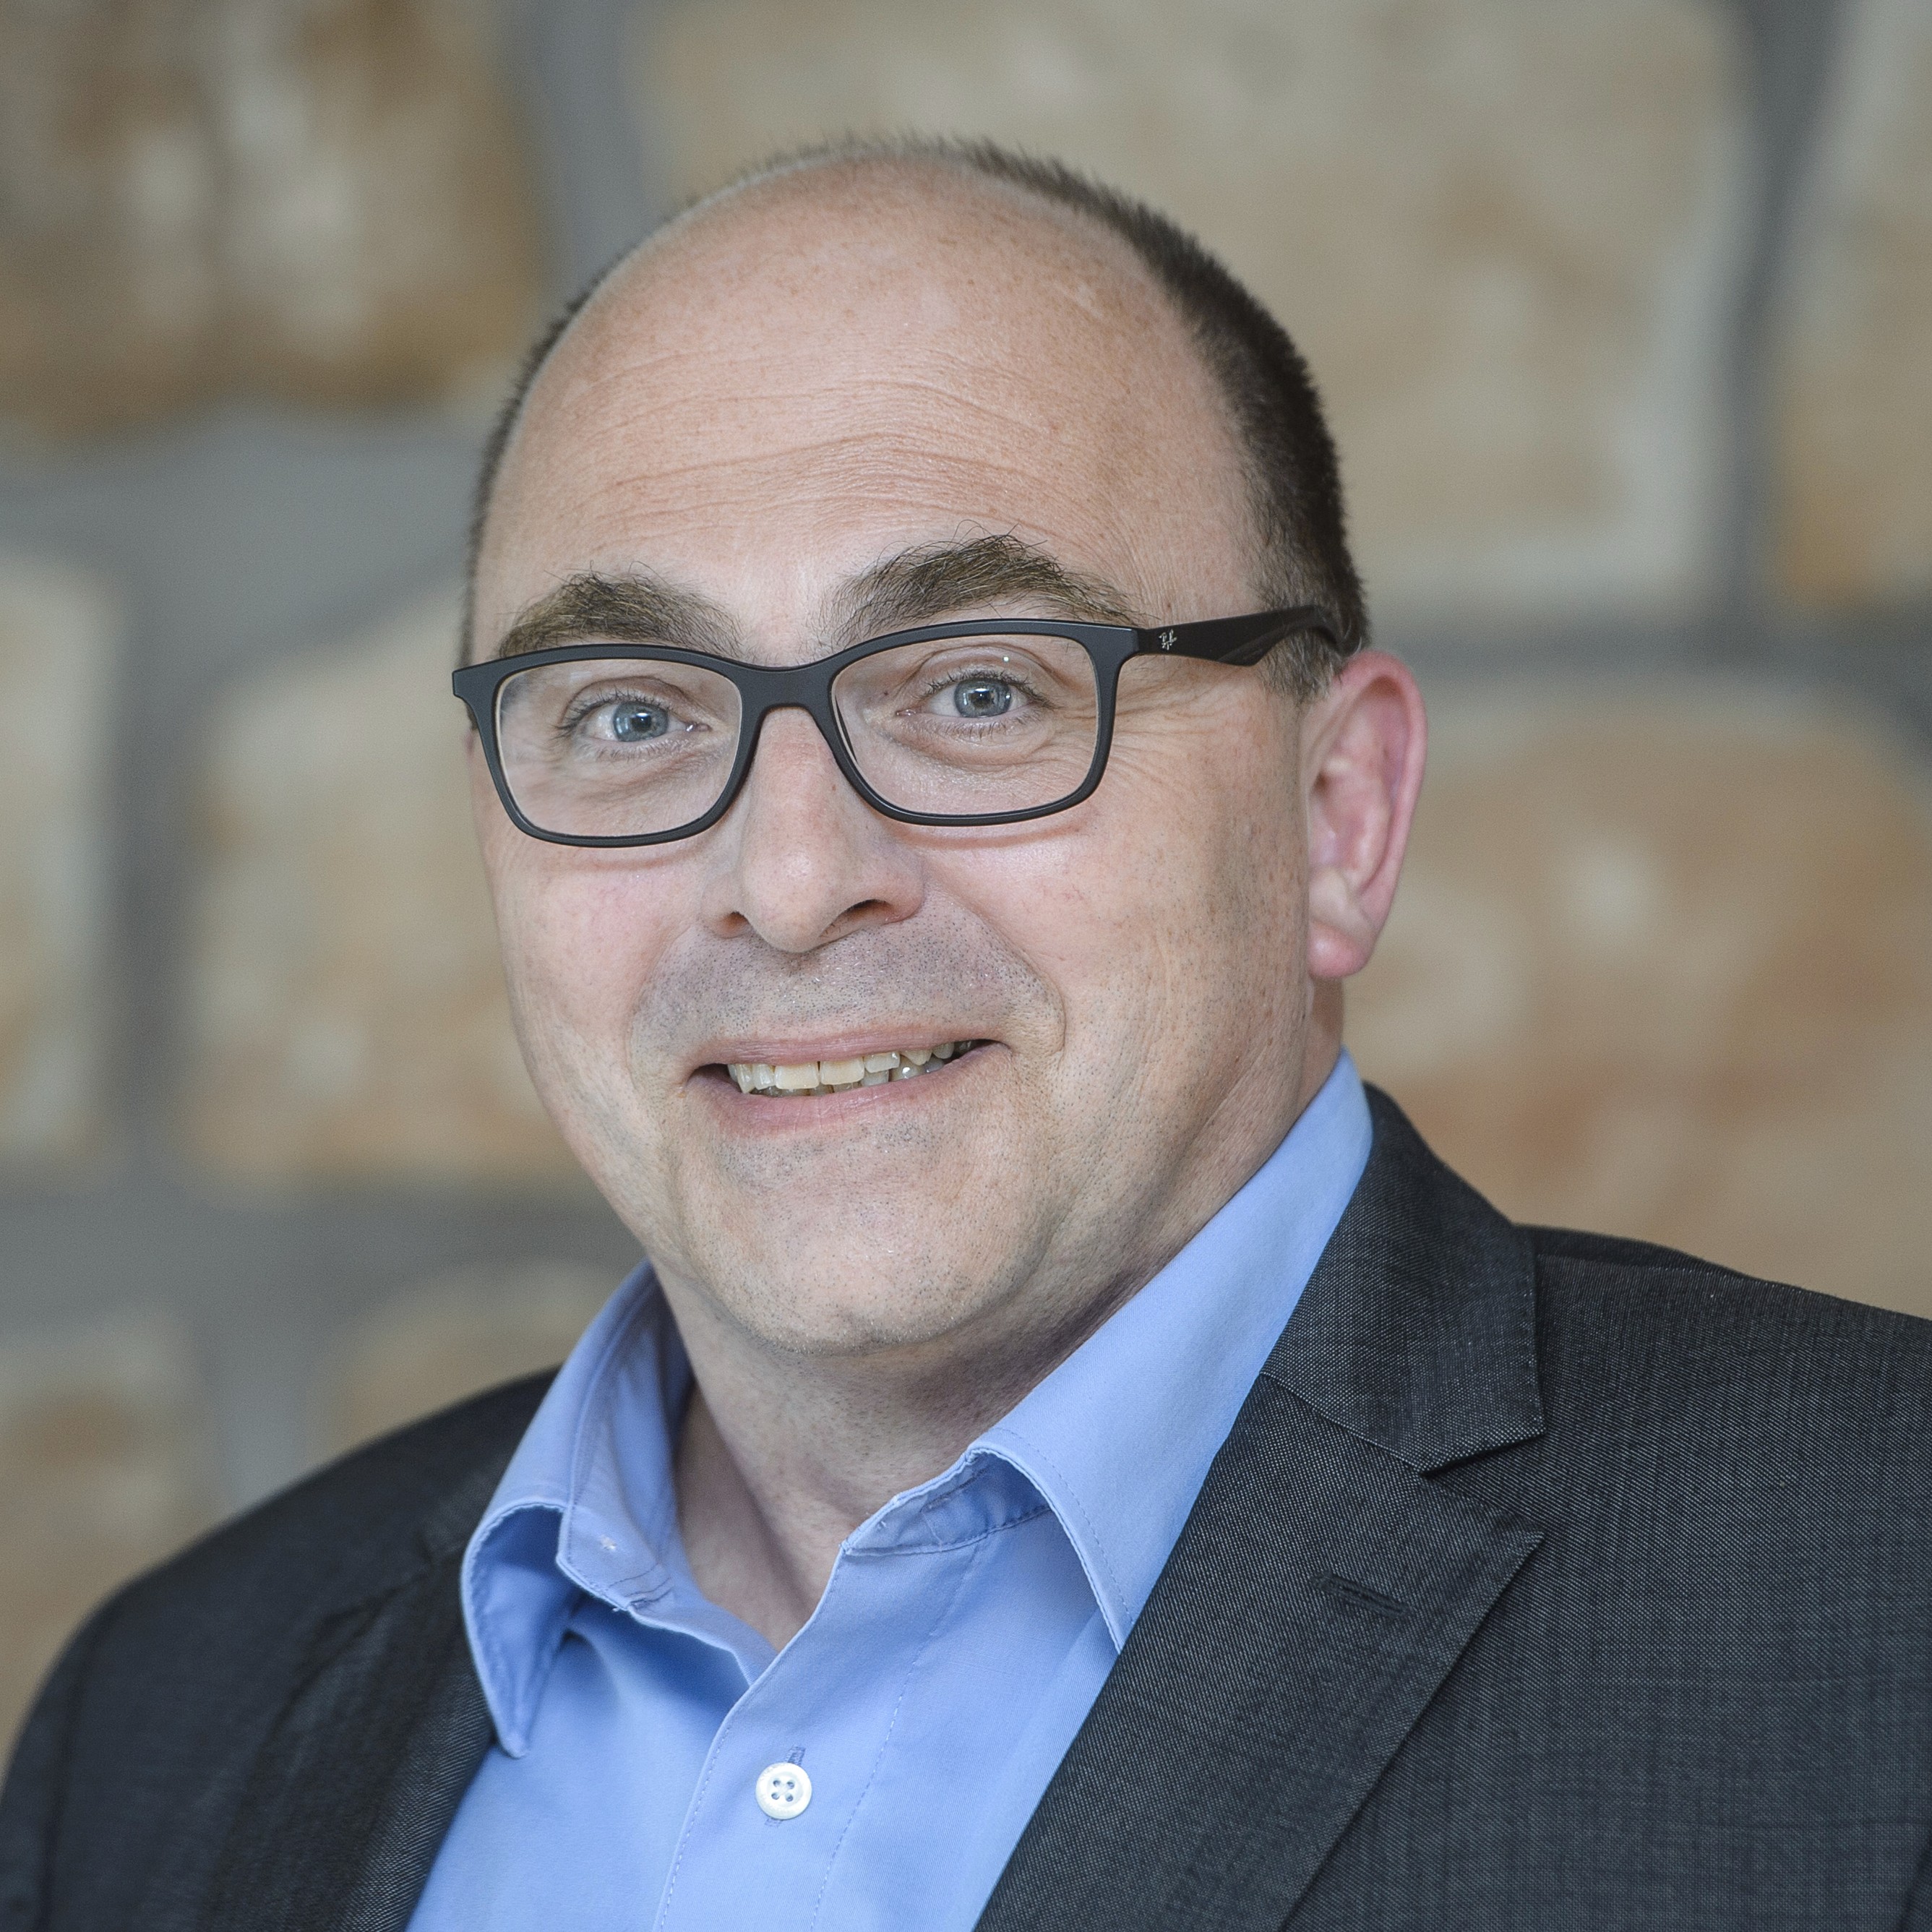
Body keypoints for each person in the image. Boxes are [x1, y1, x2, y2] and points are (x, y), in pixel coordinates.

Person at [4, 137, 1931, 1932]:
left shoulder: (1881, 1599)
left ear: (1335, 818)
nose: (788, 878)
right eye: (630, 715)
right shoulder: (164, 1725)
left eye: (983, 689)